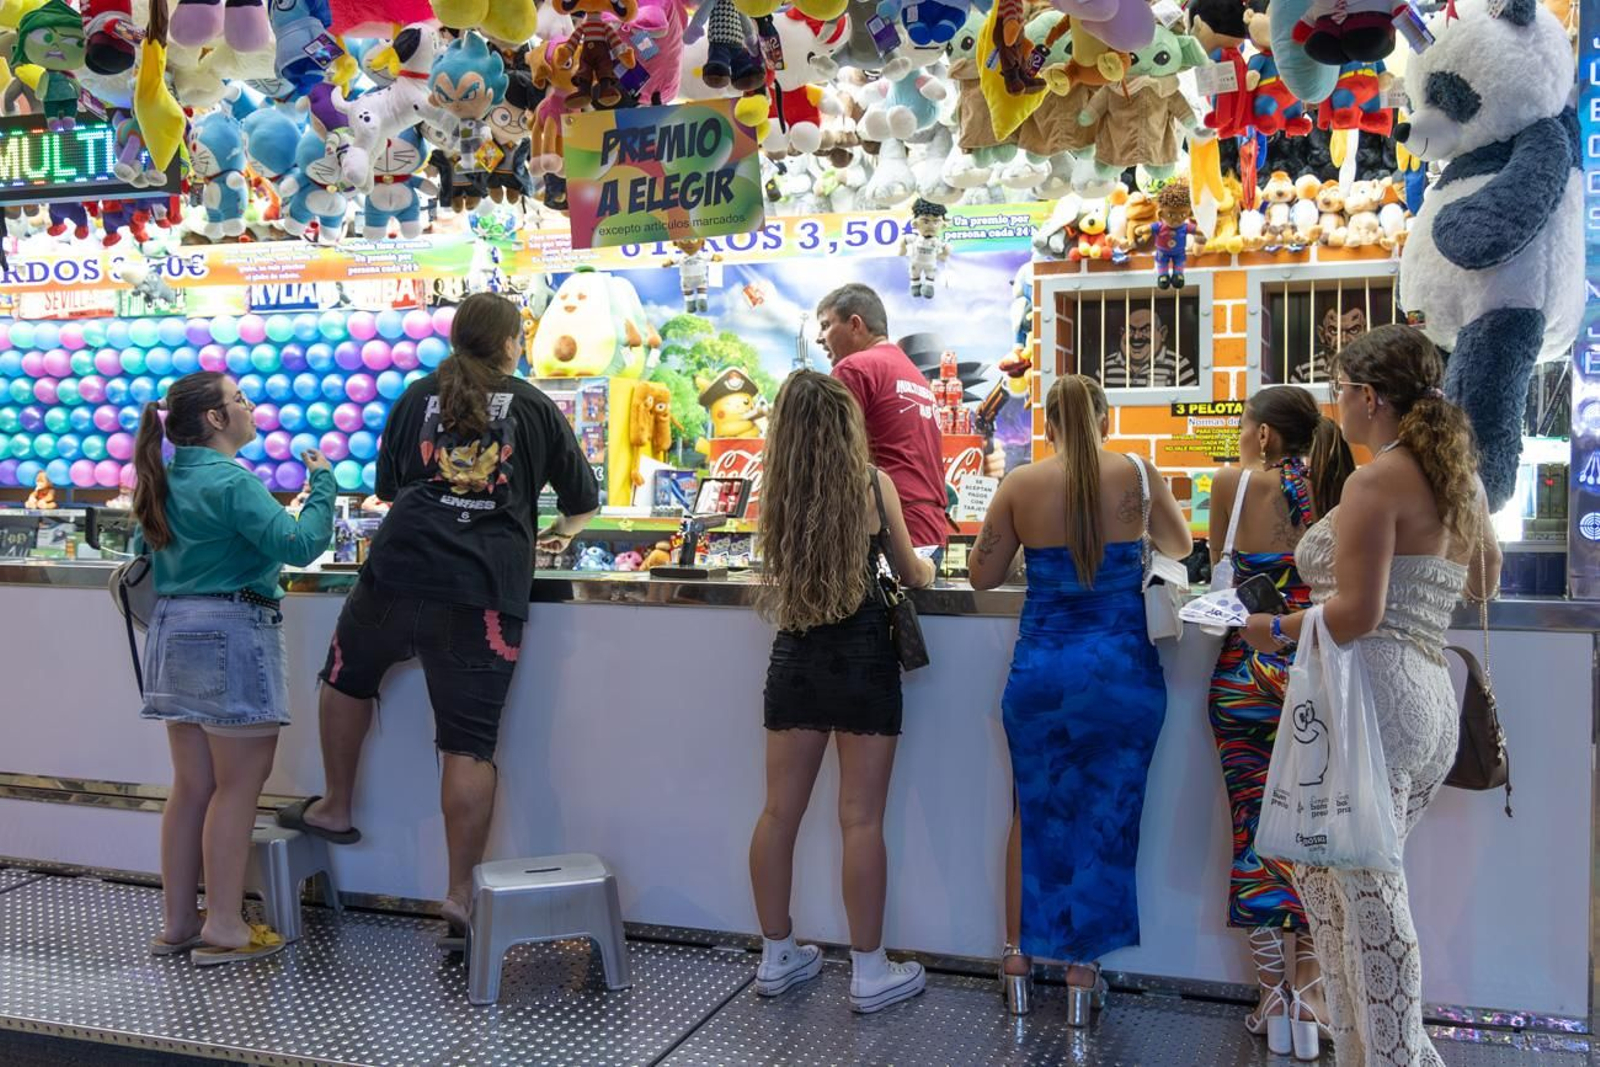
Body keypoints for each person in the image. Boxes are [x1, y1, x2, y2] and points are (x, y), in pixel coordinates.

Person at [278, 292, 600, 940]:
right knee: (467, 743)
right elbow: (581, 500)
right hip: (482, 592)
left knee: (345, 677)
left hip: (396, 572)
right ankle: (459, 891)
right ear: (512, 342)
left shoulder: (414, 396)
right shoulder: (535, 404)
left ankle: (336, 803)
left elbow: (391, 489)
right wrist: (560, 530)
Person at [1242, 325, 1501, 1065]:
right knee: (1329, 875)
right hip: (1425, 701)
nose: (1334, 403)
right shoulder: (1457, 474)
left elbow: (1356, 612)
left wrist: (1273, 628)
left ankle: (1397, 1056)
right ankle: (1365, 1048)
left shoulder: (1377, 479)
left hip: (1373, 702)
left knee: (1369, 896)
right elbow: (1483, 580)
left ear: (1370, 396)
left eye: (1340, 388)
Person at [968, 375, 1192, 1025]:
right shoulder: (1140, 474)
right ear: (1106, 416)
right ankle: (1080, 970)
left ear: (1049, 423)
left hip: (1042, 671)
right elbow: (1180, 547)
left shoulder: (1019, 484)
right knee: (1107, 817)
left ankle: (1016, 958)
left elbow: (982, 573)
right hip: (1122, 674)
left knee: (1031, 813)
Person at [747, 370, 936, 1014]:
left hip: (794, 654)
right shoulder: (872, 485)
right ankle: (869, 971)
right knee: (860, 819)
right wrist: (929, 564)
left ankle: (776, 957)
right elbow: (913, 572)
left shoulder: (776, 492)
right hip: (862, 657)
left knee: (778, 815)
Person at [135, 371, 336, 964]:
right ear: (217, 420)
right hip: (234, 630)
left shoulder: (163, 480)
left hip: (173, 635)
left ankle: (178, 923)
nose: (250, 408)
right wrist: (322, 482)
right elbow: (298, 545)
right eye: (239, 400)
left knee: (192, 786)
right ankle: (224, 923)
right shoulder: (233, 482)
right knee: (238, 787)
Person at [1206, 386, 1355, 1053]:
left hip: (1243, 679)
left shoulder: (1232, 484)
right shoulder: (1340, 489)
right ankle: (1312, 994)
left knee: (1254, 831)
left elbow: (1215, 582)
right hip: (1315, 678)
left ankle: (1271, 996)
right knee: (1315, 837)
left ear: (1264, 434)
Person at [815, 284, 948, 558]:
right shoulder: (913, 374)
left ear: (855, 324)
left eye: (826, 325)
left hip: (886, 536)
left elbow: (832, 458)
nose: (820, 338)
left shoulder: (854, 368)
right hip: (930, 534)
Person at [1100, 307, 1198, 389]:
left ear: (1163, 334)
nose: (1136, 336)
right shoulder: (1106, 366)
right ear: (1122, 333)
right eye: (1130, 329)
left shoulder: (1179, 365)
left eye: (1146, 329)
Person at [1286, 301, 1368, 385]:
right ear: (1321, 334)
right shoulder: (1304, 372)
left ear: (1367, 331)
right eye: (1334, 331)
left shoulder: (1374, 367)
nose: (1344, 340)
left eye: (1354, 330)